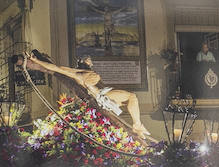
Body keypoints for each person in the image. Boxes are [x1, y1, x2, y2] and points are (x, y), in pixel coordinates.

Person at [23, 51, 153, 140]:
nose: (91, 62)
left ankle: (137, 125)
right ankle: (137, 125)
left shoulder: (86, 71)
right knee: (132, 97)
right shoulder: (77, 73)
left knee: (131, 99)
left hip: (105, 93)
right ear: (83, 61)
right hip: (102, 96)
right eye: (89, 60)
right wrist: (36, 60)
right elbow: (56, 68)